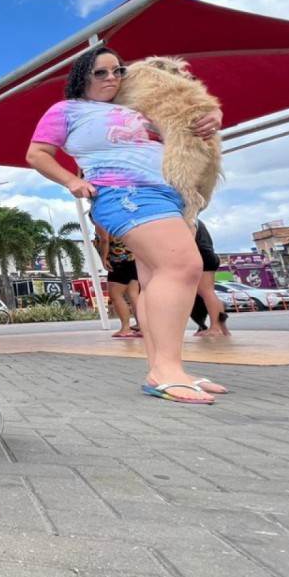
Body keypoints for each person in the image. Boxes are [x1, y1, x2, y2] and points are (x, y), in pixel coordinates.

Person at [26, 46, 227, 404]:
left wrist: (210, 122)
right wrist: (73, 182)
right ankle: (167, 372)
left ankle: (164, 368)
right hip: (125, 193)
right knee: (183, 265)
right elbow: (37, 154)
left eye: (117, 71)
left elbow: (182, 127)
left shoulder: (138, 107)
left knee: (153, 282)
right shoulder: (67, 110)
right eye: (100, 73)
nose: (112, 78)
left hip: (168, 195)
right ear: (81, 77)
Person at [94, 224, 142, 338]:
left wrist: (103, 258)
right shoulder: (120, 221)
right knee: (133, 294)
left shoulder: (102, 223)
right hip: (132, 260)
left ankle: (125, 328)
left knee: (116, 295)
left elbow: (104, 240)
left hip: (118, 261)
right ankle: (142, 325)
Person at [192, 219, 232, 337]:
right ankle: (222, 327)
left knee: (206, 292)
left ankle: (216, 327)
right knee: (208, 292)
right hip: (208, 254)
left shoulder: (188, 218)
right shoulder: (196, 219)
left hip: (202, 254)